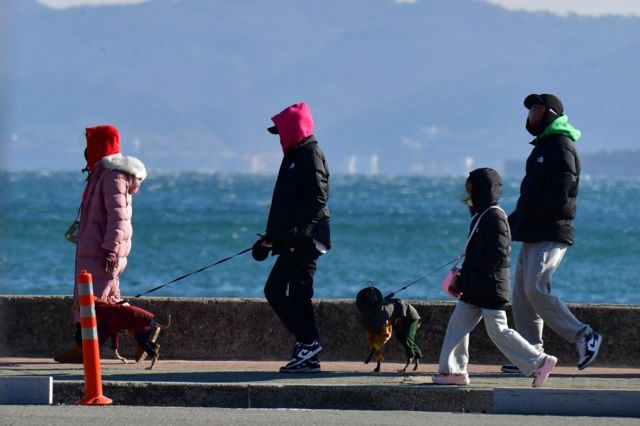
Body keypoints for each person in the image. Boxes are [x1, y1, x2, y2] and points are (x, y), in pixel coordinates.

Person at [502, 94, 601, 374]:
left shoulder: (561, 147)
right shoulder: (542, 147)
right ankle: (531, 357)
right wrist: (508, 224)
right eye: (530, 110)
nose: (532, 115)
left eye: (537, 109)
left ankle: (585, 335)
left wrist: (527, 220)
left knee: (535, 288)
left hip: (551, 231)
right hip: (533, 231)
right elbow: (530, 198)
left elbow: (558, 196)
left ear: (551, 114)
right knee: (521, 294)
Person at [433, 168, 557, 387]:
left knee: (498, 331)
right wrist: (467, 278)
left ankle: (540, 361)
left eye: (471, 188)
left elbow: (498, 254)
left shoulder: (494, 216)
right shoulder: (483, 215)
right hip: (476, 287)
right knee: (457, 325)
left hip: (489, 288)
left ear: (481, 190)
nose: (468, 193)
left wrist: (470, 275)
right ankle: (453, 372)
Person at [54, 125, 147, 363]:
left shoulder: (112, 176)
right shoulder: (102, 173)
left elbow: (119, 219)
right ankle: (140, 332)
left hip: (101, 251)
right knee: (106, 300)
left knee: (93, 302)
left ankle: (144, 323)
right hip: (96, 249)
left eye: (90, 146)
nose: (86, 152)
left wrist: (111, 249)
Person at [253, 102, 331, 373]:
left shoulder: (309, 154)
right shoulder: (297, 155)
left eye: (281, 131)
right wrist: (275, 237)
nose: (279, 137)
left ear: (294, 128)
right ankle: (310, 357)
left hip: (306, 237)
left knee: (274, 289)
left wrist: (287, 231)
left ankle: (307, 342)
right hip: (299, 237)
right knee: (299, 295)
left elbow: (318, 198)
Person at [355, 286, 423, 373]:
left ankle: (409, 362)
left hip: (411, 317)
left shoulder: (384, 314)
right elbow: (374, 340)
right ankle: (416, 359)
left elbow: (386, 335)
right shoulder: (369, 316)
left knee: (406, 339)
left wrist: (373, 350)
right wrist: (374, 349)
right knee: (400, 337)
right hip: (399, 319)